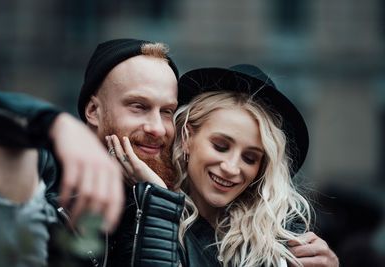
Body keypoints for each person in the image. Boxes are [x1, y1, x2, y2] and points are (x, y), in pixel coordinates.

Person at [106, 64, 339, 266]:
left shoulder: (280, 238)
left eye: (250, 158)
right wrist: (156, 199)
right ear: (187, 139)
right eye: (220, 146)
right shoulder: (133, 210)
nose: (231, 167)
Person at [0, 89, 124, 266]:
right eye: (138, 107)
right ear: (93, 110)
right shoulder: (37, 168)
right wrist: (56, 123)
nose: (157, 128)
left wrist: (158, 203)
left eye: (167, 111)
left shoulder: (163, 195)